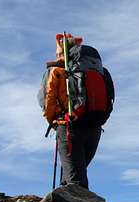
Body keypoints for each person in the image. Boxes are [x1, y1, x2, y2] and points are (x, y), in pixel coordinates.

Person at [40, 34, 103, 189]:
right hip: (94, 127)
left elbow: (47, 99)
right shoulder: (97, 71)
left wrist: (53, 121)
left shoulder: (56, 71)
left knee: (76, 181)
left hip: (68, 127)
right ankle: (63, 200)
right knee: (74, 173)